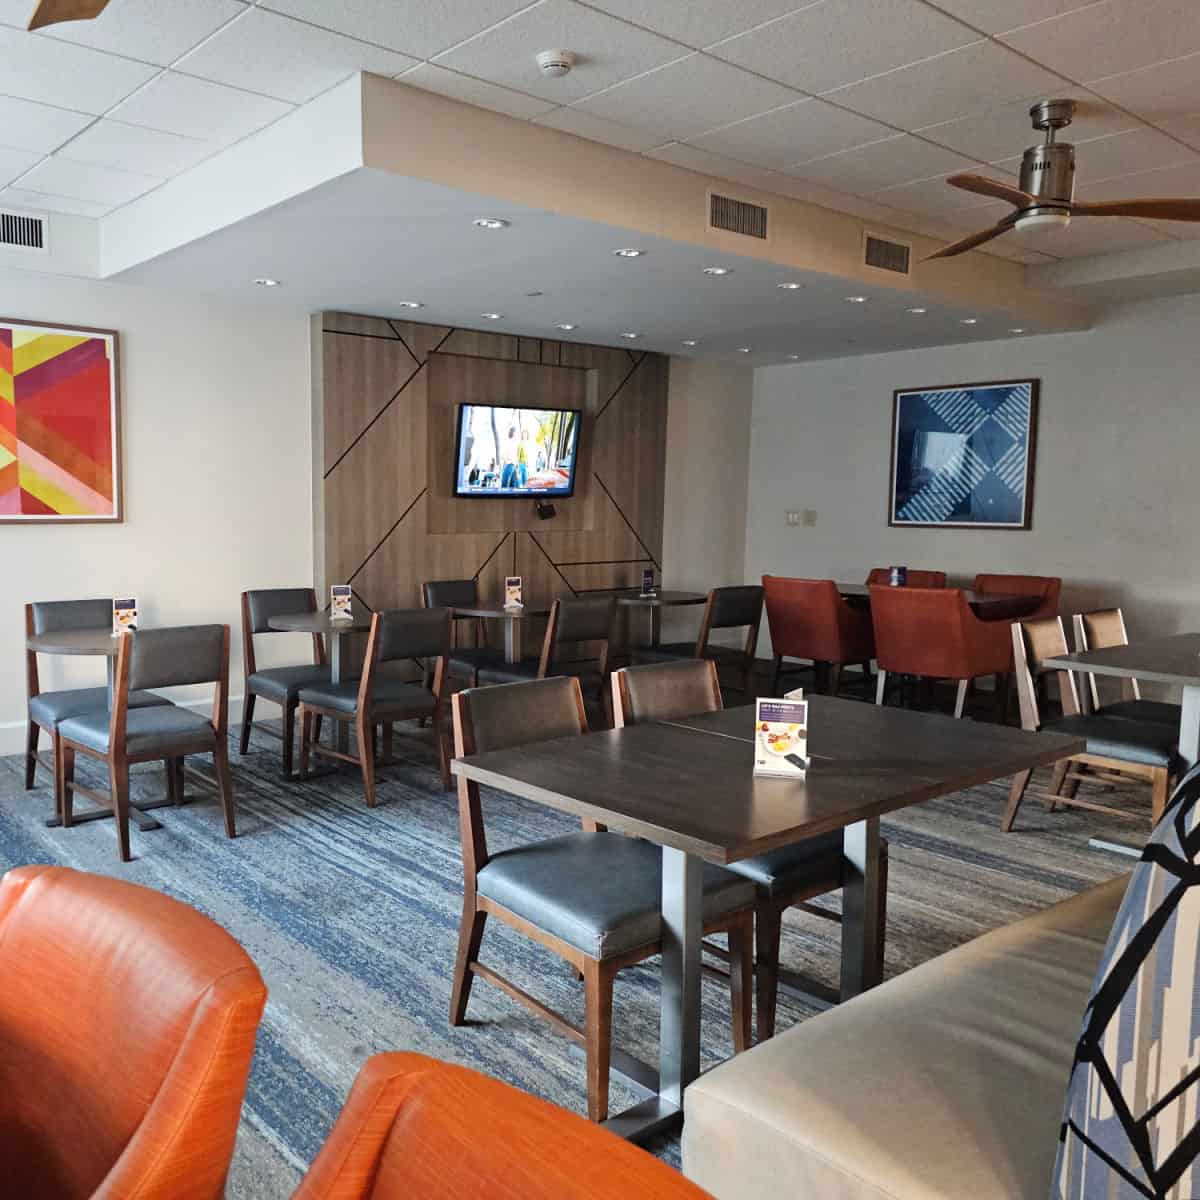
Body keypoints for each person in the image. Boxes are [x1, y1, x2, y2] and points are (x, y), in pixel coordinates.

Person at [500, 425, 519, 489]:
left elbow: (515, 455)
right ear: (513, 432)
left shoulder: (515, 442)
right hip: (510, 464)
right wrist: (507, 461)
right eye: (516, 432)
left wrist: (516, 464)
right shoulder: (508, 441)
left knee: (513, 484)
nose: (517, 434)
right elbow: (503, 454)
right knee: (505, 484)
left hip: (513, 465)